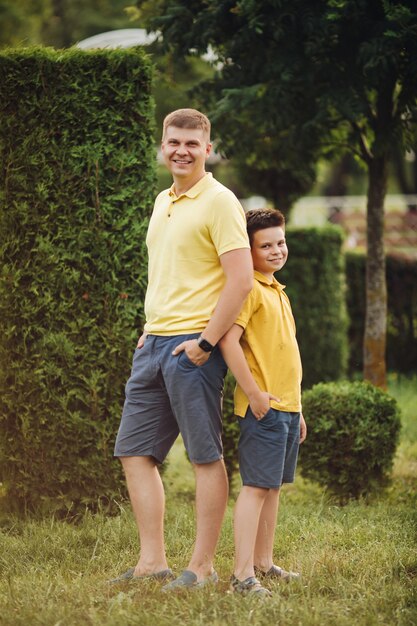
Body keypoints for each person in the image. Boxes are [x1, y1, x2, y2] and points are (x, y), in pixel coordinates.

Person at [111, 109, 253, 590]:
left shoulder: (220, 201)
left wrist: (205, 343)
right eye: (174, 142)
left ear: (207, 149)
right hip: (153, 342)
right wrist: (150, 326)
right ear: (163, 145)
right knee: (134, 452)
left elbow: (241, 280)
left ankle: (203, 567)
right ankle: (152, 562)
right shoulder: (162, 200)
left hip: (193, 347)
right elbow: (169, 271)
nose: (181, 151)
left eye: (192, 144)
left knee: (203, 456)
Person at [219, 208, 307, 597]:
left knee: (272, 488)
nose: (276, 250)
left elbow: (284, 356)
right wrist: (254, 393)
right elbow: (227, 341)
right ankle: (241, 575)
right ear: (249, 251)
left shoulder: (278, 290)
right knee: (256, 487)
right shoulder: (249, 289)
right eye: (266, 245)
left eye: (280, 242)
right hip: (263, 408)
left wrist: (298, 409)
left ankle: (264, 563)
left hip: (286, 408)